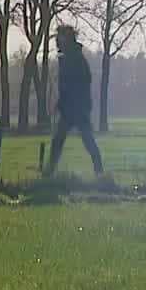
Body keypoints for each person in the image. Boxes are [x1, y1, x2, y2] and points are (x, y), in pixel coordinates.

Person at [45, 24, 105, 178]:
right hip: (70, 108)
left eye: (60, 37)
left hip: (76, 109)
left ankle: (99, 172)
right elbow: (67, 86)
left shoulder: (75, 59)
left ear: (67, 39)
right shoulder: (68, 58)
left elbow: (79, 83)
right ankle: (49, 174)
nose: (57, 40)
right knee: (62, 140)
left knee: (85, 140)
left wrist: (66, 105)